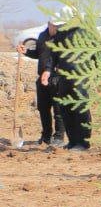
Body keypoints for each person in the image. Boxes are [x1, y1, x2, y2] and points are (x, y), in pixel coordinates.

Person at [44, 12, 93, 151]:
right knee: (66, 108)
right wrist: (48, 70)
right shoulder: (61, 34)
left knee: (80, 108)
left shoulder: (86, 32)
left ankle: (83, 143)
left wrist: (98, 72)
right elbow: (53, 55)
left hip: (80, 75)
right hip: (64, 76)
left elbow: (97, 53)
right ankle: (72, 141)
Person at [15, 17, 65, 145]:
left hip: (57, 77)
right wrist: (26, 52)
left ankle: (59, 137)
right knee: (43, 108)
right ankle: (46, 135)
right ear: (49, 24)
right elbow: (39, 53)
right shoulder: (42, 36)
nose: (57, 28)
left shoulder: (63, 38)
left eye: (59, 26)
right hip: (42, 76)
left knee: (58, 109)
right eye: (55, 25)